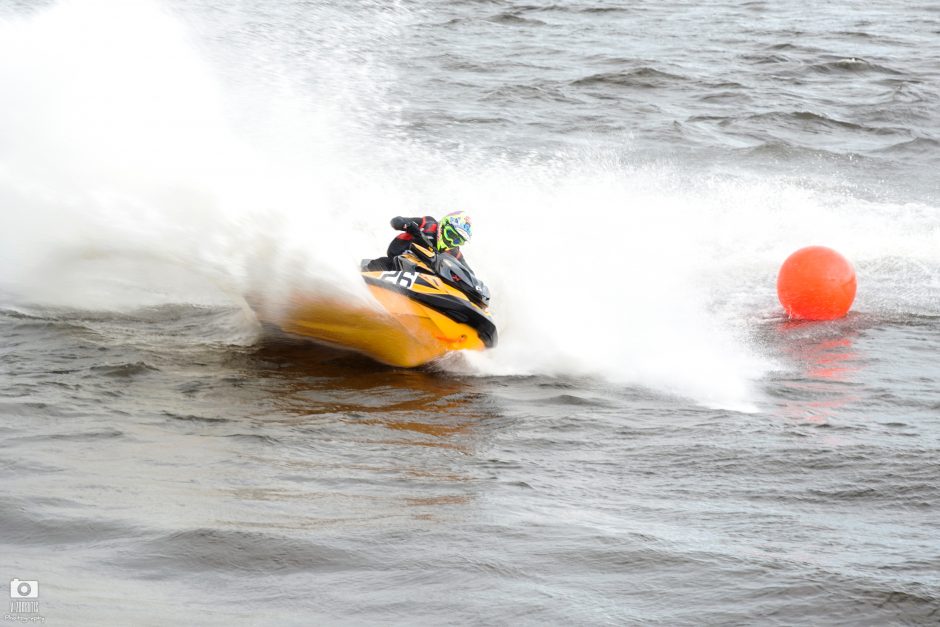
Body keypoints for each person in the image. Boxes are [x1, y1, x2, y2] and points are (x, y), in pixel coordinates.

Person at [367, 211, 473, 271]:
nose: (451, 241)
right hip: (399, 260)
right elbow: (396, 220)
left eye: (457, 241)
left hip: (424, 275)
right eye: (450, 234)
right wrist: (407, 225)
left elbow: (468, 272)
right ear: (443, 226)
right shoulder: (428, 224)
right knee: (382, 264)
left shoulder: (454, 251)